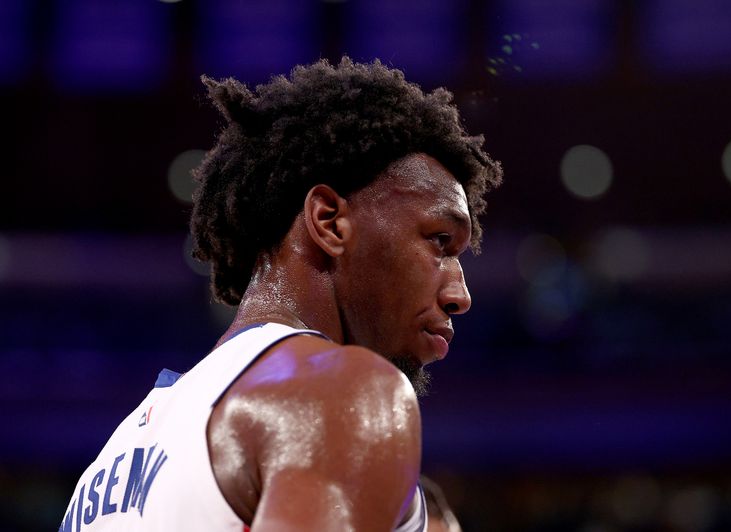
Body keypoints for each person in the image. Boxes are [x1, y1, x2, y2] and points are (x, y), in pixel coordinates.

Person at [60, 57, 502, 531]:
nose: (461, 294)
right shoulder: (342, 392)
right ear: (330, 221)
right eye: (439, 241)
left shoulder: (107, 465)